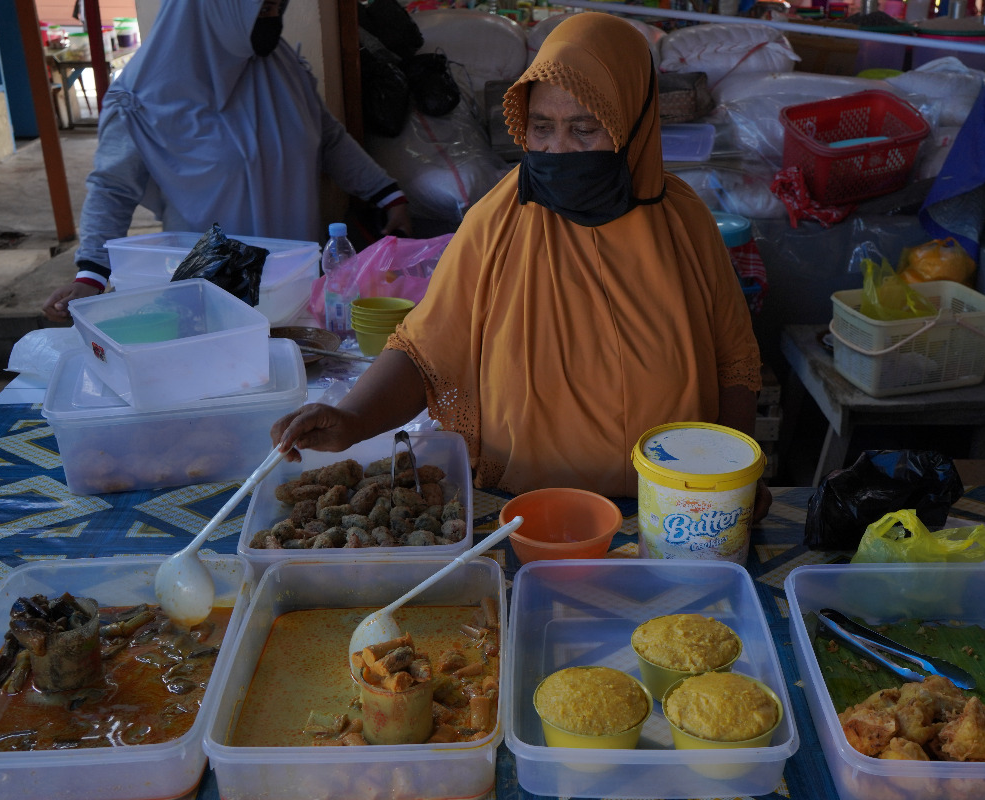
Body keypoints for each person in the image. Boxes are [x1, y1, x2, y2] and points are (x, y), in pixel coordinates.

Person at [272, 11, 770, 520]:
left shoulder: (684, 224)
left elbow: (734, 363)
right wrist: (352, 417)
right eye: (542, 128)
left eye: (584, 129)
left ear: (634, 126)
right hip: (518, 516)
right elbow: (427, 351)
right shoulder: (498, 221)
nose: (559, 151)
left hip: (671, 514)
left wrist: (734, 483)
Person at [42, 0, 411, 323]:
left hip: (293, 282)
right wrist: (90, 274)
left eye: (275, 7)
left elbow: (328, 139)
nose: (271, 18)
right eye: (260, 8)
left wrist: (387, 195)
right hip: (207, 290)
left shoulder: (283, 69)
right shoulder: (145, 94)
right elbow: (112, 188)